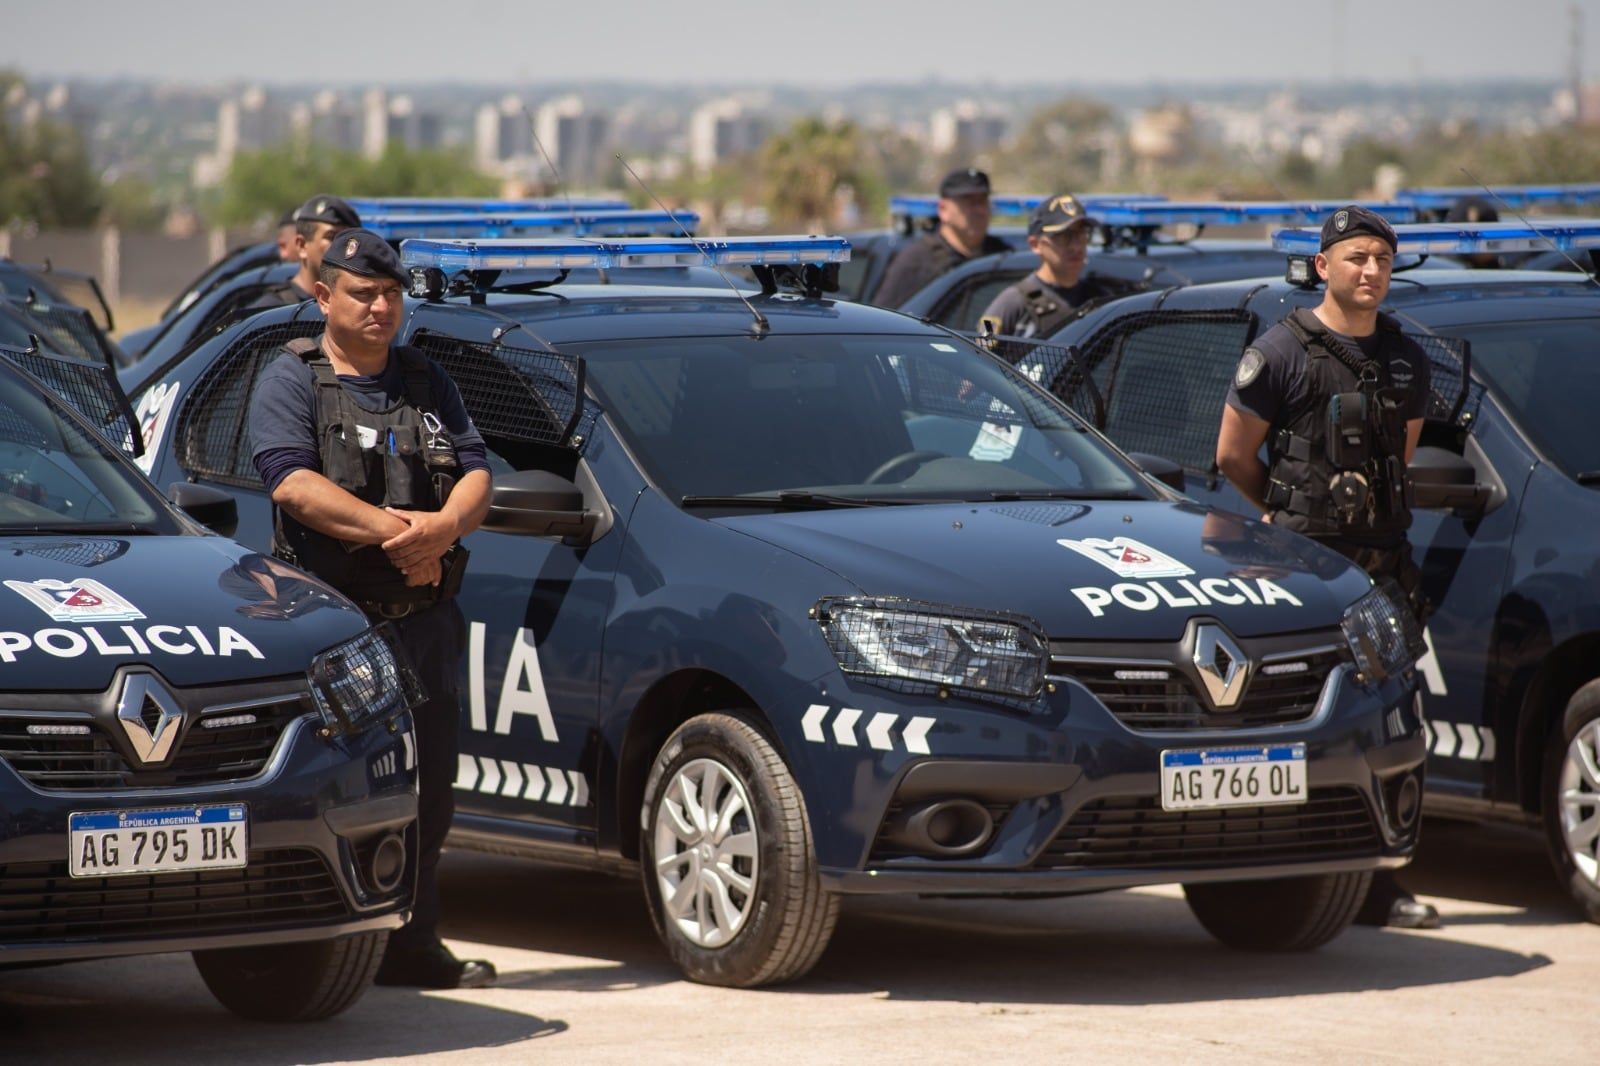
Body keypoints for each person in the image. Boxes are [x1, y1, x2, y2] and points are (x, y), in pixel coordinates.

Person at [247, 228, 498, 987]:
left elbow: (478, 470)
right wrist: (406, 537)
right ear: (324, 295)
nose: (380, 306)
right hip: (336, 628)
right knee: (340, 788)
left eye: (391, 293)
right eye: (363, 293)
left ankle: (413, 943)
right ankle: (315, 944)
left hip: (424, 621)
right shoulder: (292, 379)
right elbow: (291, 483)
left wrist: (446, 528)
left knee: (432, 789)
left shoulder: (425, 379)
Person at [1214, 204, 1438, 930]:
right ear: (1323, 268)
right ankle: (1286, 871)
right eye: (1356, 257)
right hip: (1302, 573)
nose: (1371, 270)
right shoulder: (1281, 352)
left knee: (1390, 723)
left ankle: (1382, 883)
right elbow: (1232, 456)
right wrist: (1280, 520)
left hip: (1383, 570)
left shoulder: (1406, 356)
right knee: (1302, 724)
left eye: (1381, 257)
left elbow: (1397, 459)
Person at [977, 193, 1113, 338]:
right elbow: (980, 349)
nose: (1076, 246)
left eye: (1082, 234)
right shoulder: (1011, 302)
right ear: (1035, 244)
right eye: (1063, 236)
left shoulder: (1101, 301)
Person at [873, 167, 1012, 308]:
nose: (979, 210)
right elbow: (886, 319)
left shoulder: (1002, 256)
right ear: (943, 210)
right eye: (968, 201)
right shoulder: (917, 262)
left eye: (982, 201)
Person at [250, 193, 363, 310]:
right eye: (331, 237)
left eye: (349, 240)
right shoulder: (270, 312)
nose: (343, 247)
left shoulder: (357, 309)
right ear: (302, 246)